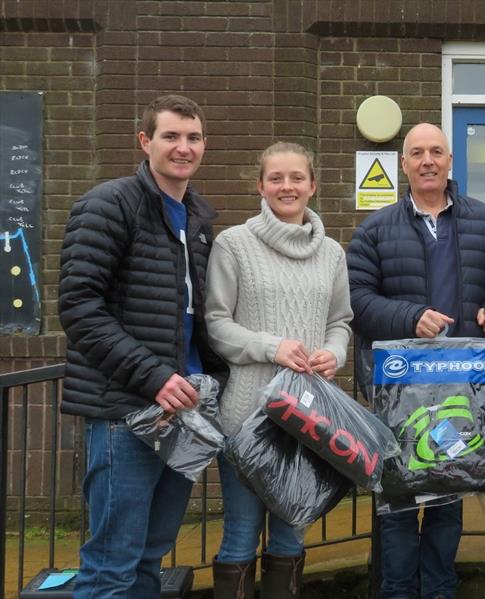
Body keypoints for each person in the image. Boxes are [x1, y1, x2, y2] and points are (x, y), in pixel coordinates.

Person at [58, 94, 229, 598]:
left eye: (193, 137)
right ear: (144, 141)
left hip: (184, 411)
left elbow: (196, 316)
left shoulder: (198, 217)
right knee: (112, 564)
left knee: (151, 557)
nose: (183, 147)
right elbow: (80, 308)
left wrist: (213, 378)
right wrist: (153, 376)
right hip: (125, 410)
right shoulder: (108, 204)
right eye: (171, 136)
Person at [346, 122, 485, 599]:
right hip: (398, 396)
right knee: (397, 503)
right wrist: (410, 317)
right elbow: (355, 301)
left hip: (461, 392)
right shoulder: (374, 229)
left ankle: (439, 591)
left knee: (449, 498)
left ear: (450, 161)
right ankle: (397, 592)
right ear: (404, 164)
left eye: (436, 151)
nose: (427, 161)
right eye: (417, 153)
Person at [205, 142, 352, 599]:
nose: (286, 186)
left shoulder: (331, 253)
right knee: (241, 535)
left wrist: (334, 353)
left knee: (291, 536)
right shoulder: (233, 244)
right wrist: (274, 347)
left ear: (313, 185)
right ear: (260, 186)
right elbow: (215, 323)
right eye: (276, 178)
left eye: (296, 178)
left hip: (306, 420)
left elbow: (339, 322)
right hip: (247, 419)